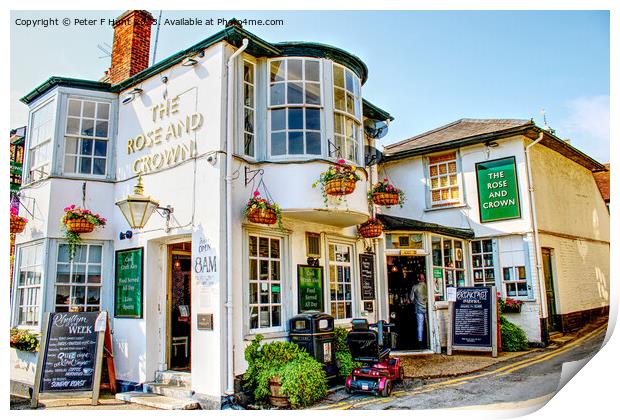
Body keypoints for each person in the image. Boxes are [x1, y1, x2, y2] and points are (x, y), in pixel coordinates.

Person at [410, 273, 428, 345]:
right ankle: (428, 338)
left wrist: (416, 302)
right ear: (424, 278)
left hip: (419, 308)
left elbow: (411, 298)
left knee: (420, 325)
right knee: (428, 324)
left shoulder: (415, 287)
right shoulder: (428, 286)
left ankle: (420, 340)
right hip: (427, 308)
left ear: (418, 279)